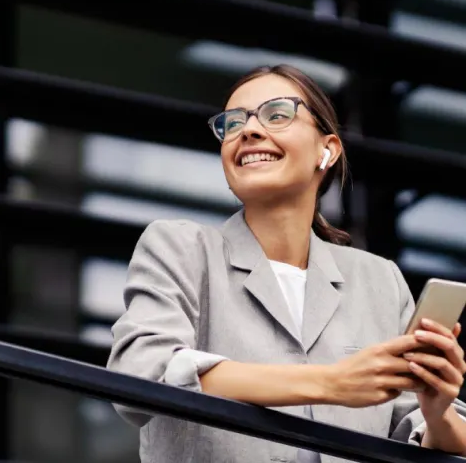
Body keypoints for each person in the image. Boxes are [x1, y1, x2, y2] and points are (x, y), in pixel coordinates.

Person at [107, 64, 466, 463]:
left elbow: (424, 434)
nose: (249, 131)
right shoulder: (181, 248)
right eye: (232, 123)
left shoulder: (378, 280)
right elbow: (139, 375)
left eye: (277, 114)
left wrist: (437, 413)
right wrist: (330, 383)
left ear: (326, 150)